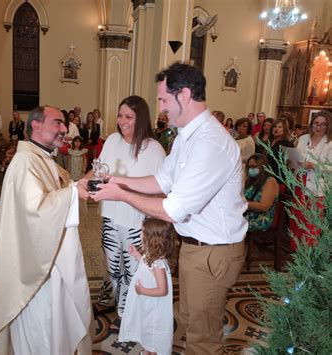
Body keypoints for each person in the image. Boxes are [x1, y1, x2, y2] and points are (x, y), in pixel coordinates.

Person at [91, 62, 247, 354]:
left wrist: (121, 194)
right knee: (188, 319)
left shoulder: (209, 142)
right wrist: (117, 180)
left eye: (163, 99)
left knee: (203, 336)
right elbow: (161, 180)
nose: (161, 107)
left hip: (214, 250)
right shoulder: (187, 137)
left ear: (184, 95)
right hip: (194, 246)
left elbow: (173, 209)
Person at [0, 106, 92, 354]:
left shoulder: (42, 158)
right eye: (57, 123)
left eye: (64, 124)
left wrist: (80, 185)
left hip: (52, 261)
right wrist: (74, 193)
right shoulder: (25, 163)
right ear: (36, 126)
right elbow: (36, 212)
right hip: (37, 271)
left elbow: (63, 189)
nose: (64, 129)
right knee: (41, 329)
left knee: (55, 326)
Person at [87, 95, 165, 330]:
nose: (122, 121)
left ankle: (127, 313)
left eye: (129, 117)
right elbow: (99, 170)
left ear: (141, 119)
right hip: (111, 215)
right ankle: (113, 302)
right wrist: (82, 185)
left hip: (137, 220)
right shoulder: (112, 140)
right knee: (113, 266)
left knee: (133, 269)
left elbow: (160, 190)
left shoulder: (154, 149)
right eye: (120, 116)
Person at [118, 218, 176, 355]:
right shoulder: (152, 256)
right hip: (149, 303)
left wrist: (142, 290)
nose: (140, 235)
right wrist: (137, 255)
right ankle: (147, 350)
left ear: (152, 238)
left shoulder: (159, 264)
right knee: (146, 329)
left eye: (143, 232)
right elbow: (147, 268)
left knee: (153, 333)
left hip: (154, 306)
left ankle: (151, 351)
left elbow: (162, 290)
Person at [290, 110, 332, 250]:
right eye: (316, 123)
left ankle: (308, 254)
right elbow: (296, 155)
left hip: (317, 186)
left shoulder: (329, 143)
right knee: (297, 218)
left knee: (311, 223)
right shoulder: (303, 138)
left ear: (328, 126)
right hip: (299, 182)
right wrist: (293, 161)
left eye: (323, 124)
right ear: (311, 124)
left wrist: (314, 166)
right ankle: (295, 250)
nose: (318, 127)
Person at [244, 154, 280, 232]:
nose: (251, 169)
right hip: (246, 213)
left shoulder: (270, 181)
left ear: (262, 167)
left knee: (228, 222)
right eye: (249, 167)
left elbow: (264, 206)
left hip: (260, 218)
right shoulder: (250, 181)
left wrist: (242, 204)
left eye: (254, 166)